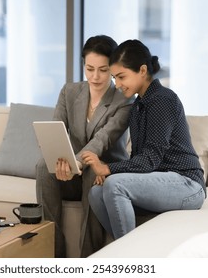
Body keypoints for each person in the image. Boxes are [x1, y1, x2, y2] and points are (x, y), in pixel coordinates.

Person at [81, 39, 206, 240]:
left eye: (121, 77)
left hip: (187, 184)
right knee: (96, 193)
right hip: (159, 180)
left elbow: (150, 161)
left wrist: (109, 170)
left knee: (115, 185)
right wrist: (109, 170)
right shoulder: (138, 106)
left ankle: (130, 260)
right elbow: (138, 160)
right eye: (114, 78)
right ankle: (126, 247)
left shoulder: (163, 99)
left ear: (142, 70)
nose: (117, 85)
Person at [36, 35, 133, 257]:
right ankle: (52, 255)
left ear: (113, 68)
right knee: (43, 167)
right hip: (73, 170)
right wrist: (59, 160)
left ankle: (89, 259)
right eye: (89, 69)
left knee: (91, 173)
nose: (95, 76)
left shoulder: (124, 100)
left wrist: (78, 162)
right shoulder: (69, 92)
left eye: (103, 69)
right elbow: (55, 129)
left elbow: (103, 139)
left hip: (102, 169)